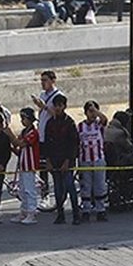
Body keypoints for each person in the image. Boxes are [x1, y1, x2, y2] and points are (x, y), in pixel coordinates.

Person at [44, 94, 80, 224]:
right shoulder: (50, 123)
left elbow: (73, 143)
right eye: (56, 106)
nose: (58, 108)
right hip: (54, 160)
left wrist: (67, 161)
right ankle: (60, 214)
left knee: (70, 187)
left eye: (60, 106)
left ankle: (76, 214)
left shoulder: (69, 123)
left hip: (66, 161)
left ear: (64, 106)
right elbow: (47, 143)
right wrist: (47, 160)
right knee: (58, 189)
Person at [7, 107, 41, 224]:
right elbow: (18, 148)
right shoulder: (23, 132)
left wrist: (10, 134)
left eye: (24, 118)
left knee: (29, 190)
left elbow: (21, 144)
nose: (22, 121)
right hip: (22, 165)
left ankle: (32, 212)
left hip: (29, 165)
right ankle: (24, 211)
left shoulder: (33, 133)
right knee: (22, 190)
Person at [78, 100, 109, 222]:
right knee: (86, 186)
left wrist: (96, 111)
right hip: (85, 160)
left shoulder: (99, 125)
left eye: (94, 111)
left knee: (100, 185)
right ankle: (86, 210)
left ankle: (100, 210)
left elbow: (105, 120)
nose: (92, 114)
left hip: (98, 159)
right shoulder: (80, 127)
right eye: (89, 111)